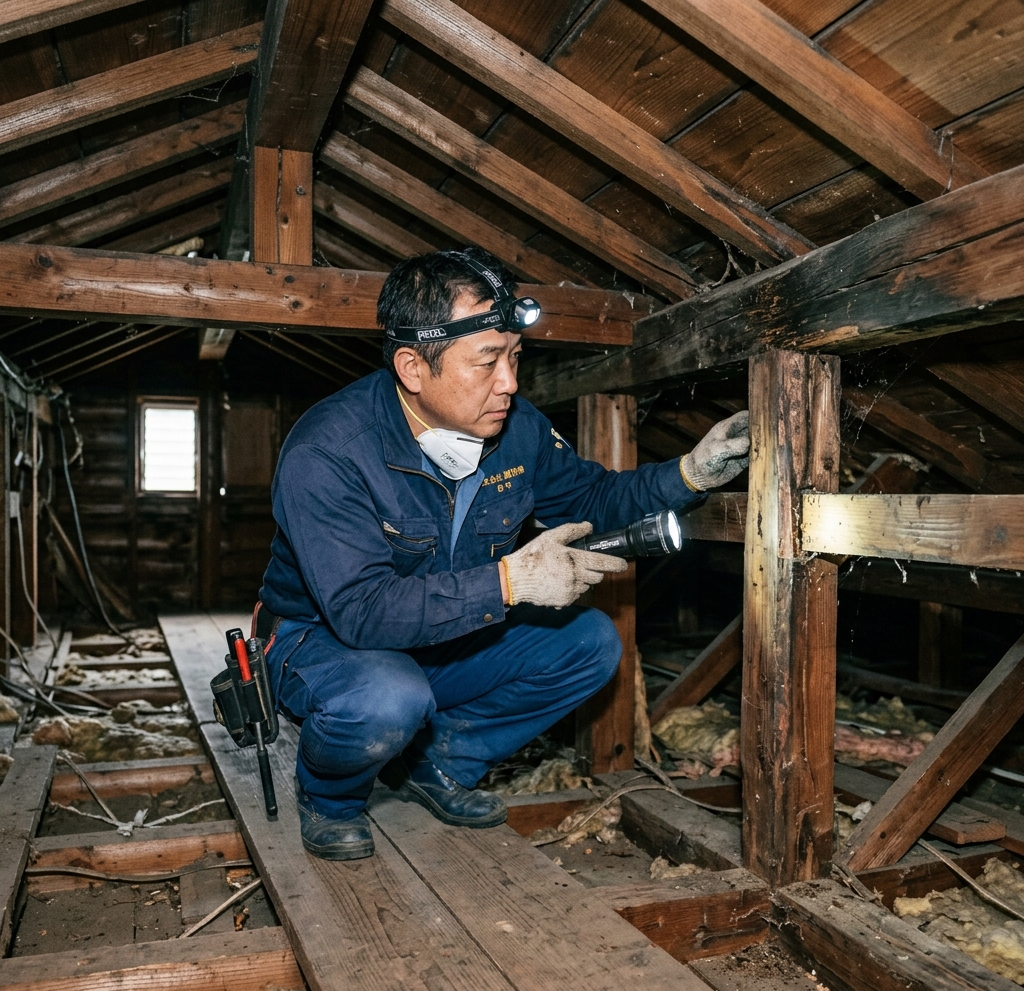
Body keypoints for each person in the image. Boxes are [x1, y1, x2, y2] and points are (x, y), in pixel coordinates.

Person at [256, 246, 750, 861]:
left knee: (590, 643)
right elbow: (363, 613)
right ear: (413, 367)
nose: (509, 383)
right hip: (323, 642)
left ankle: (437, 764)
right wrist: (510, 583)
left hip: (444, 631)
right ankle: (330, 798)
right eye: (487, 361)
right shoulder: (329, 451)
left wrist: (689, 473)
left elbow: (592, 496)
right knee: (387, 697)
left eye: (515, 357)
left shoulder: (518, 429)